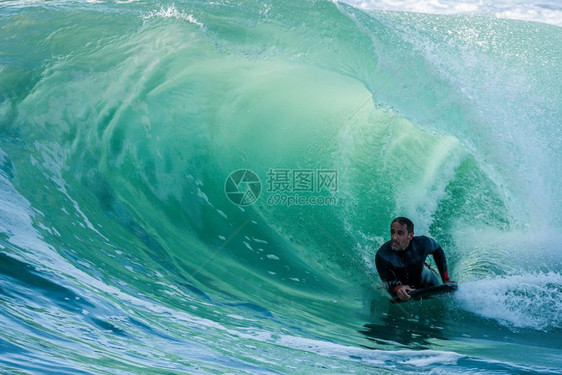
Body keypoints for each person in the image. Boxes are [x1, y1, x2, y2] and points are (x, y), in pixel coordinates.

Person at [375, 217, 453, 301]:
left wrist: (446, 279)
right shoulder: (382, 255)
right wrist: (398, 289)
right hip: (405, 288)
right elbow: (387, 283)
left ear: (410, 235)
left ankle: (427, 267)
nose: (394, 237)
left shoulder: (422, 243)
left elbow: (438, 250)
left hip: (429, 281)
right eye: (392, 232)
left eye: (400, 233)